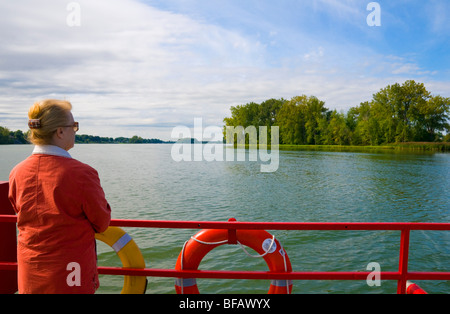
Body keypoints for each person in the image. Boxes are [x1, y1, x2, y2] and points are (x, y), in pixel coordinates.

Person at [8, 99, 111, 294]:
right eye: (74, 126)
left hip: (30, 270)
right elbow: (102, 222)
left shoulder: (17, 172)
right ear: (60, 132)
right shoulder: (82, 174)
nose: (75, 131)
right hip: (70, 273)